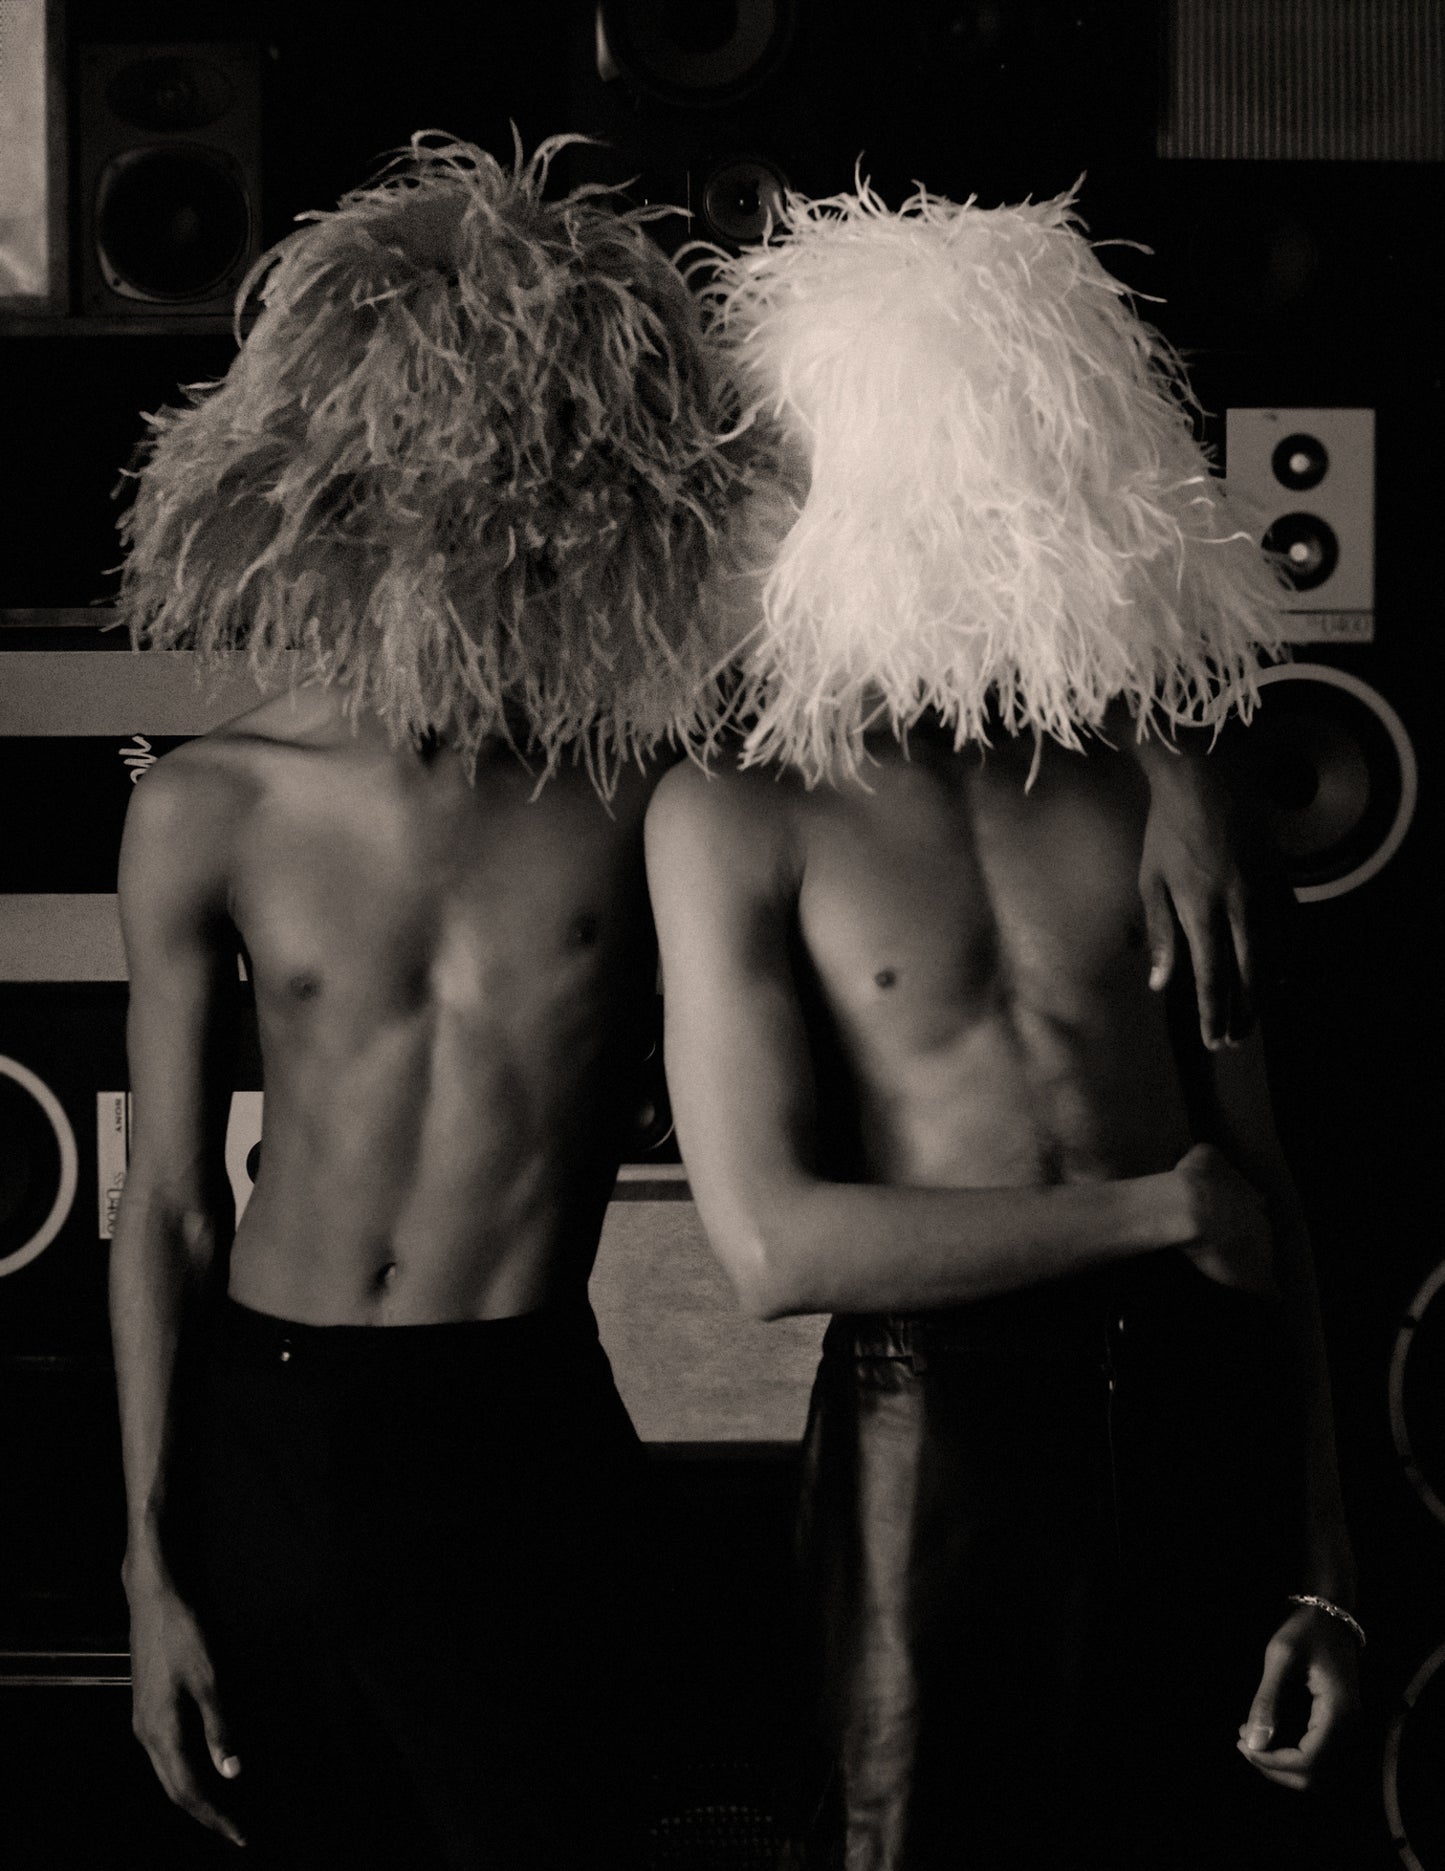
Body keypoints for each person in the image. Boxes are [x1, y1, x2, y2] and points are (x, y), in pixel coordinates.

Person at [646, 180, 1359, 1869]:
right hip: (935, 1430)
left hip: (1193, 1404)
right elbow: (772, 1249)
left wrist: (1326, 1572)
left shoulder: (1145, 794)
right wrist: (1153, 1210)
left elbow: (1273, 1200)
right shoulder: (735, 814)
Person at [108, 132, 758, 1870]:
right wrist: (147, 1565)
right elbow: (165, 1205)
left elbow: (926, 702)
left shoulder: (643, 792)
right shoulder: (209, 803)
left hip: (521, 1417)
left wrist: (1164, 771)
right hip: (271, 1427)